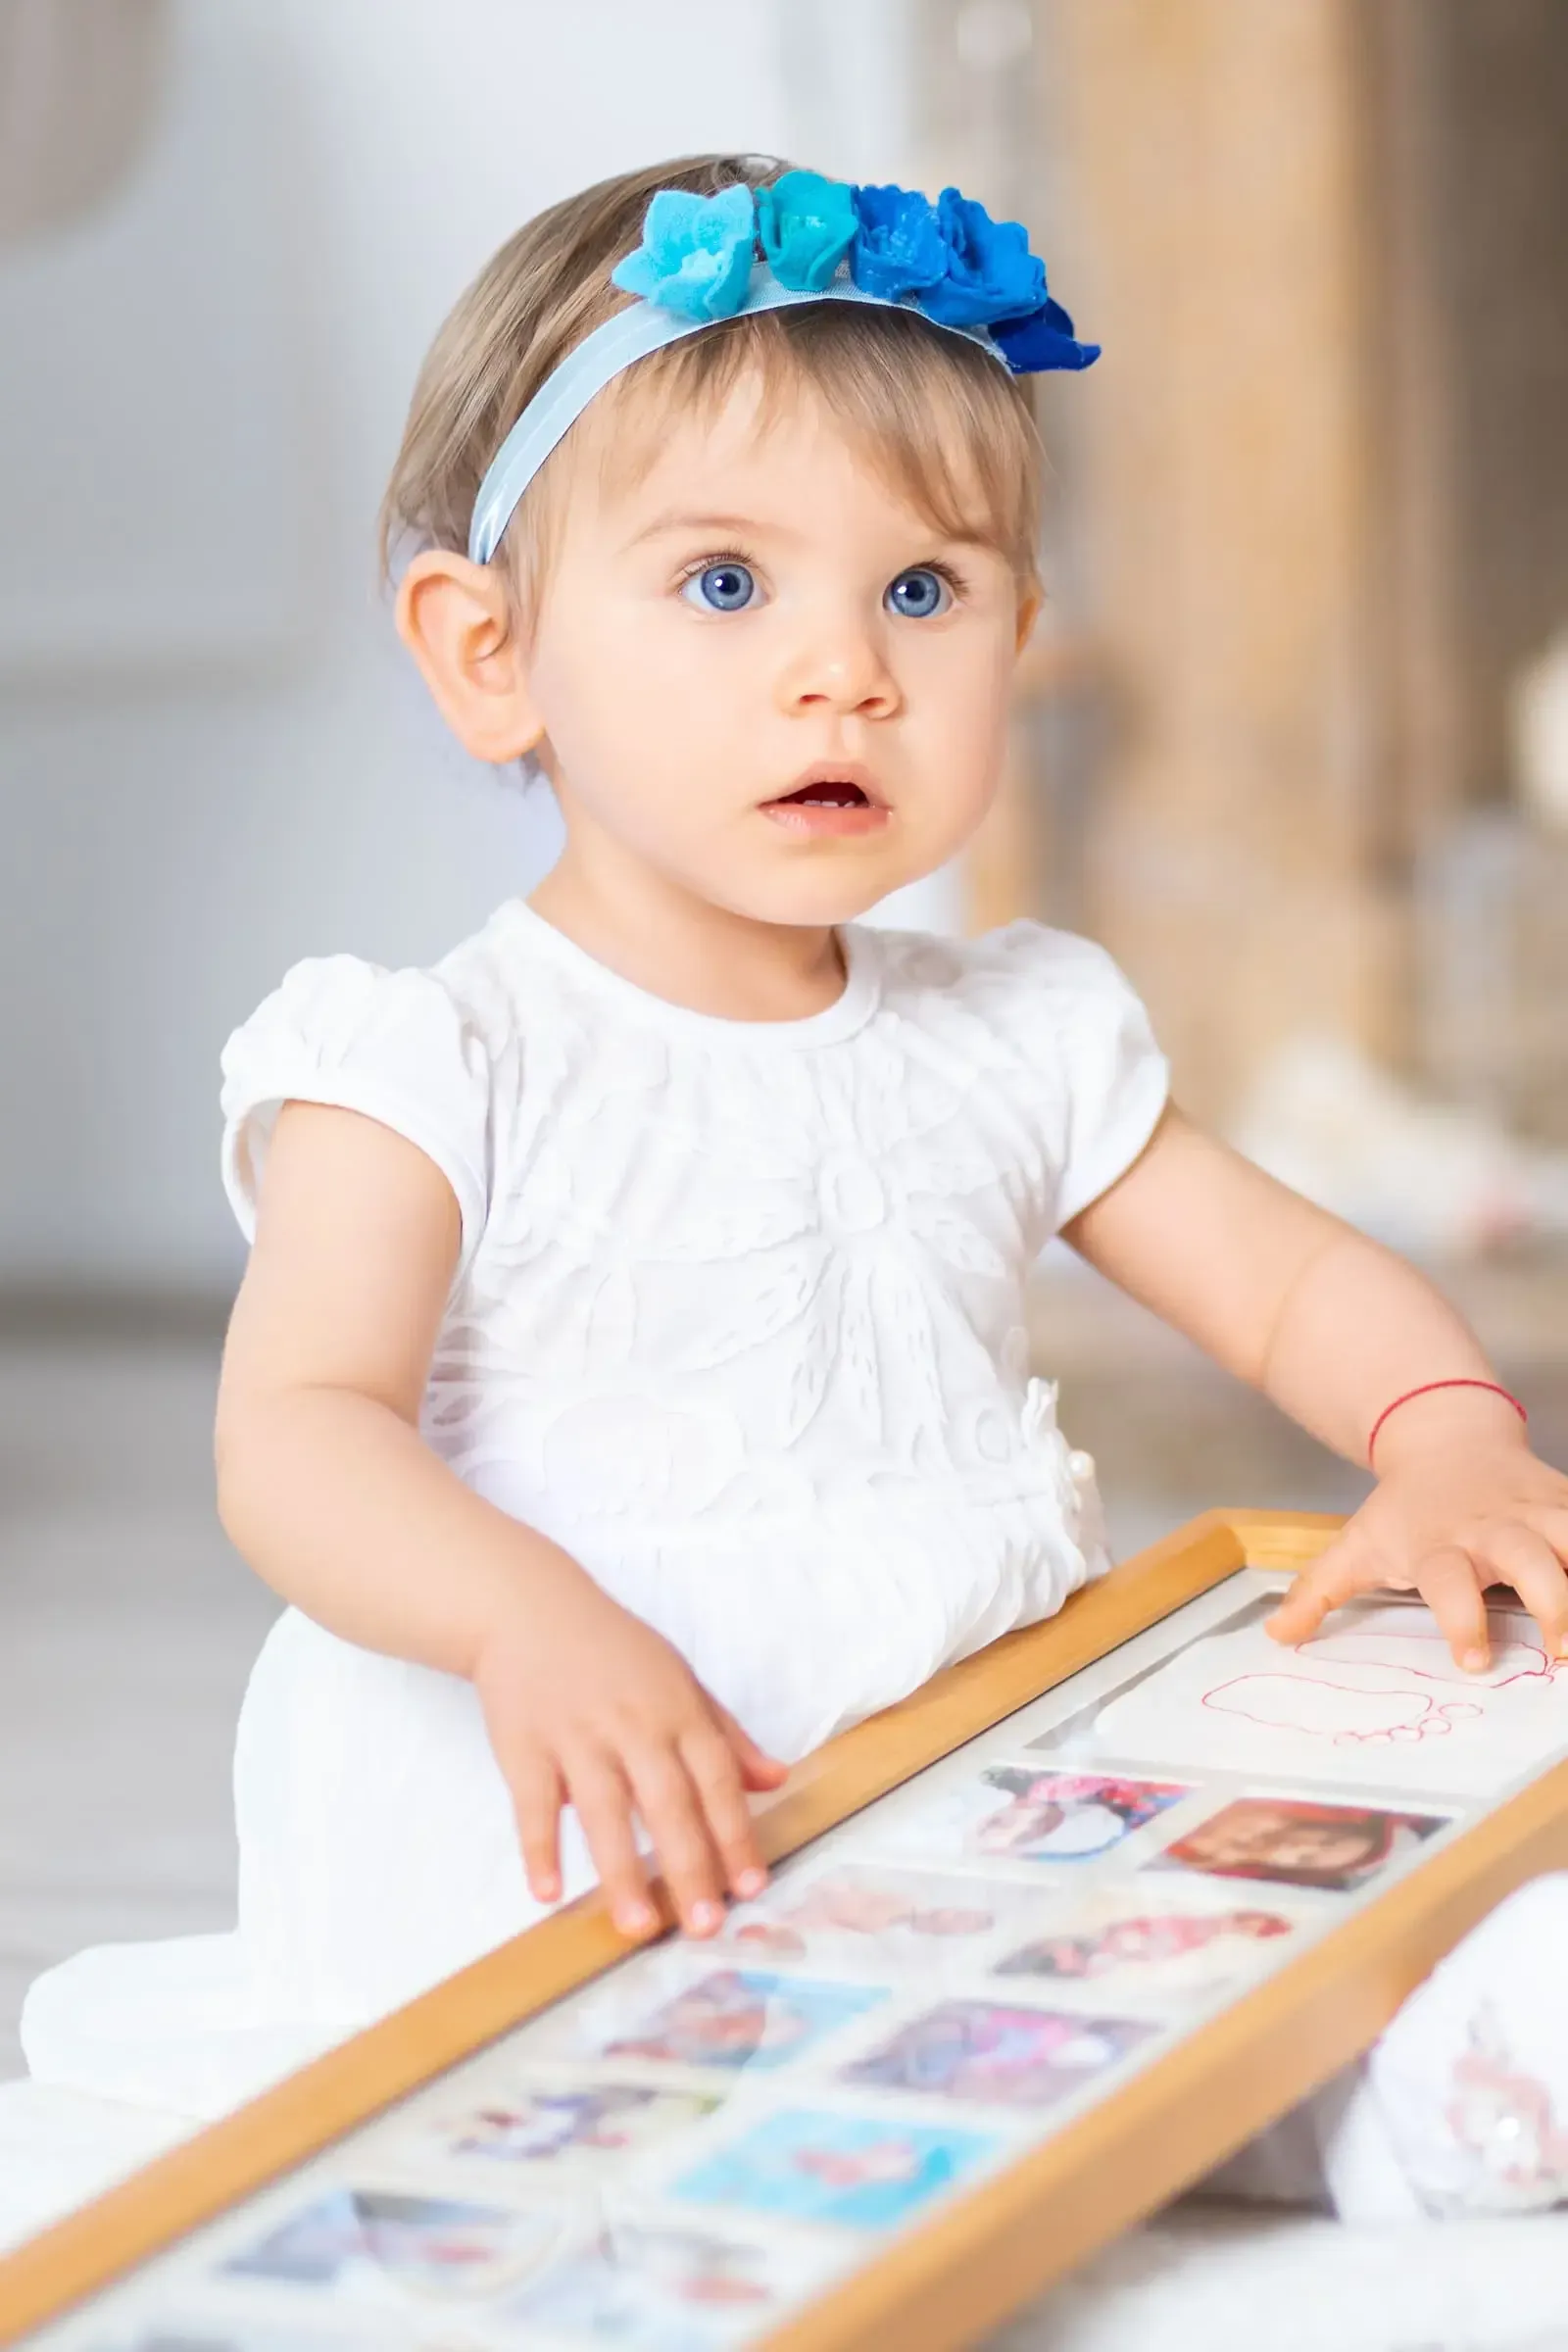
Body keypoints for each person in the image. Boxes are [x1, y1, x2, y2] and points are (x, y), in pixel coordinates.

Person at [20, 155, 1568, 2225]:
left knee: (1208, 1974)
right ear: (489, 653)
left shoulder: (1011, 1032)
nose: (844, 671)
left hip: (969, 1801)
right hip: (587, 1814)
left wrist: (1444, 1432)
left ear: (1018, 637)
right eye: (727, 585)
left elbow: (1283, 1285)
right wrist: (523, 1621)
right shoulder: (429, 1061)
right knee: (658, 2112)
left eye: (921, 593)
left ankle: (1398, 2092)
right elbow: (297, 1435)